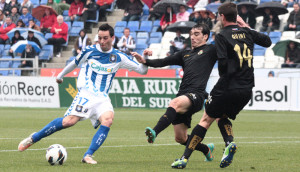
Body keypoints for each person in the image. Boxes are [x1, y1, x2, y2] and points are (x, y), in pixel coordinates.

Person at [18, 23, 148, 165]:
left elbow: (142, 71)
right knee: (68, 121)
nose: (102, 41)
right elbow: (74, 63)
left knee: (108, 119)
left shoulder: (119, 57)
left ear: (112, 38)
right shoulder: (90, 51)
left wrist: (144, 61)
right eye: (100, 38)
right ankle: (34, 138)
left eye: (105, 38)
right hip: (86, 93)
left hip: (102, 97)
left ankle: (88, 155)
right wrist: (61, 75)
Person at [171, 3, 272, 169]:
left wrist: (226, 73)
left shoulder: (221, 35)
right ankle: (229, 143)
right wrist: (245, 26)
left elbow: (223, 63)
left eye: (218, 16)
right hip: (246, 88)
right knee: (222, 116)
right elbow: (267, 42)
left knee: (205, 119)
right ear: (236, 17)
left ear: (222, 17)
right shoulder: (246, 32)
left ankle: (184, 158)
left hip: (227, 86)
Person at [132, 23, 217, 164]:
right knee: (180, 138)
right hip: (183, 94)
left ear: (205, 36)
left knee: (174, 103)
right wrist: (145, 61)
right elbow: (163, 61)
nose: (193, 37)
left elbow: (228, 54)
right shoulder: (185, 54)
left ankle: (154, 132)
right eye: (191, 34)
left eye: (197, 34)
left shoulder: (211, 50)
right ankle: (206, 150)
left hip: (197, 94)